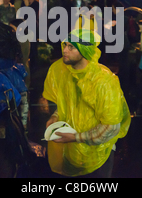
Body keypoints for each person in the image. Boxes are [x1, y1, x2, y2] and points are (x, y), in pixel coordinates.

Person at [43, 29, 131, 178]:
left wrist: (75, 137)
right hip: (73, 153)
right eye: (65, 45)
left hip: (98, 154)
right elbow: (68, 103)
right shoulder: (66, 74)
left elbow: (111, 126)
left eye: (71, 47)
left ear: (85, 50)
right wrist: (56, 116)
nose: (64, 50)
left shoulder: (103, 81)